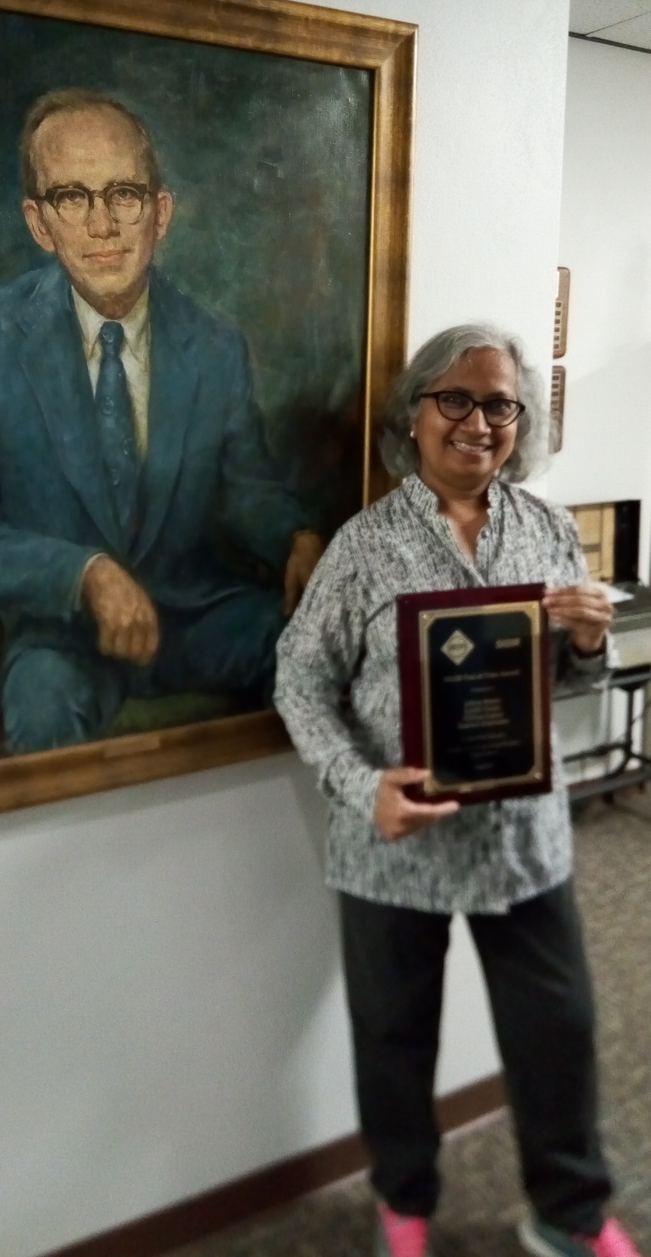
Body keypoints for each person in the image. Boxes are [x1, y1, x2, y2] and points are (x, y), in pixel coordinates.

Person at [274, 324, 641, 1257]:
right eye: (457, 399)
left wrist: (593, 642)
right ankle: (403, 1203)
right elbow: (299, 682)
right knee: (395, 1041)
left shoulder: (550, 529)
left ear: (523, 421)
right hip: (395, 846)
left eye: (501, 404)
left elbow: (572, 689)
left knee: (557, 1032)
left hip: (525, 841)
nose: (480, 422)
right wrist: (363, 787)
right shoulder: (364, 547)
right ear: (415, 413)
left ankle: (569, 1211)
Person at [0, 88, 323, 752]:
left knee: (331, 650)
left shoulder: (214, 346)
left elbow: (246, 491)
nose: (102, 225)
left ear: (160, 213)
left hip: (193, 616)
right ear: (41, 223)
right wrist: (83, 573)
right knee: (40, 711)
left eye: (123, 194)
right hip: (59, 636)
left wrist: (295, 537)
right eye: (73, 198)